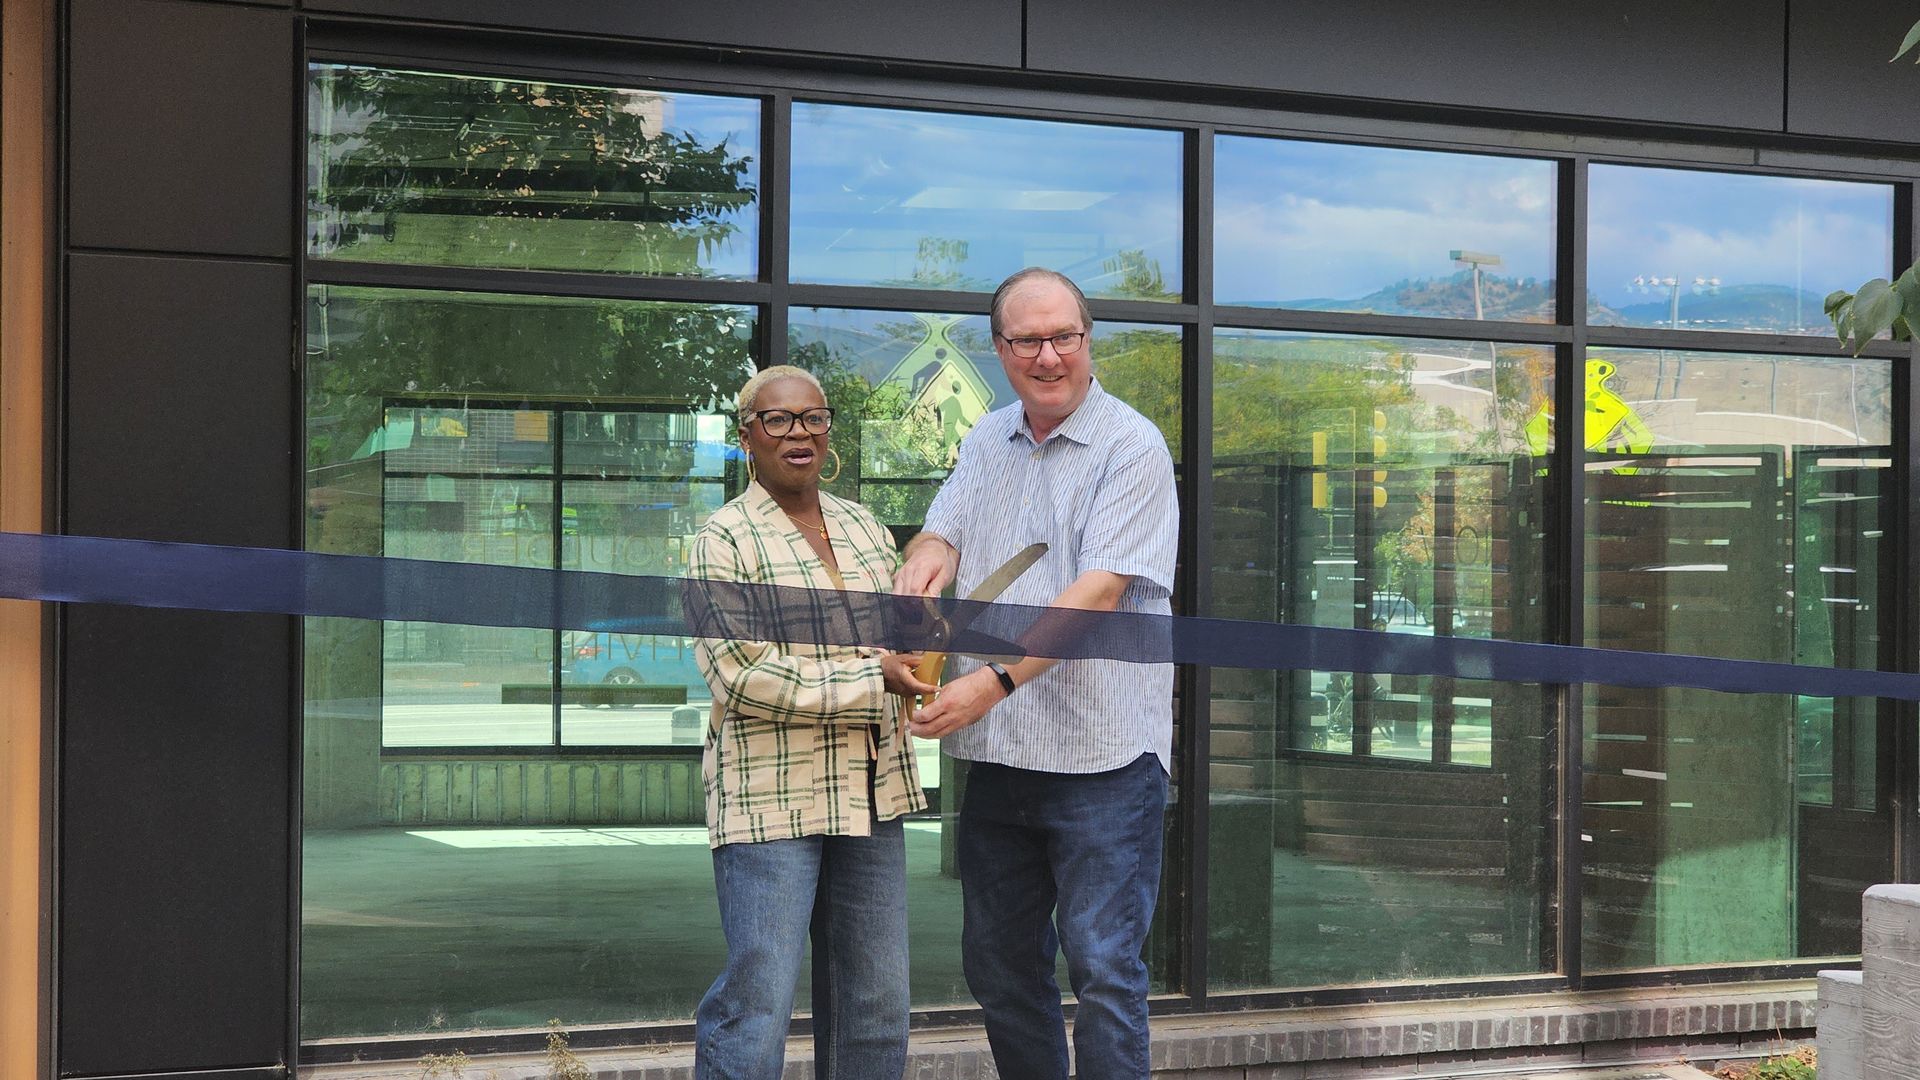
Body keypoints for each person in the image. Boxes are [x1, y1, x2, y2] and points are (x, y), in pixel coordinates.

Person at [893, 268, 1179, 1079]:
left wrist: (994, 681)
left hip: (1104, 763)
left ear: (1089, 340)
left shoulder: (1132, 446)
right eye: (1027, 340)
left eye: (1064, 337)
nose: (1048, 356)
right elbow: (940, 532)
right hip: (1001, 759)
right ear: (999, 350)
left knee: (1104, 972)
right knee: (1000, 968)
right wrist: (924, 566)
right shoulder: (988, 438)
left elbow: (1096, 594)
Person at [686, 364, 938, 1079]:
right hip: (770, 800)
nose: (798, 433)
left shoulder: (863, 527)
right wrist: (871, 675)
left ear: (829, 431)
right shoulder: (723, 539)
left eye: (812, 418)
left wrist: (921, 648)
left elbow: (895, 638)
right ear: (747, 438)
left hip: (871, 793)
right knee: (758, 1003)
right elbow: (740, 674)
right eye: (778, 420)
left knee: (878, 1006)